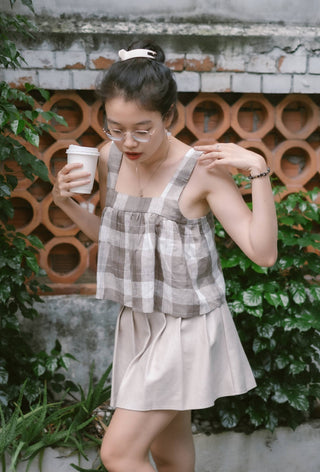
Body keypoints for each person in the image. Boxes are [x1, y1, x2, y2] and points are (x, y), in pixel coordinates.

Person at [52, 39, 278, 472]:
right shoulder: (107, 159)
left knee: (118, 453)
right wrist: (66, 204)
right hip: (140, 321)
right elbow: (115, 238)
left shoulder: (202, 171)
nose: (128, 141)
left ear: (169, 117)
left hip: (186, 328)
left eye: (142, 129)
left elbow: (262, 252)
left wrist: (258, 171)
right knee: (169, 455)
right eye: (116, 128)